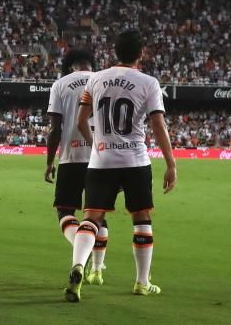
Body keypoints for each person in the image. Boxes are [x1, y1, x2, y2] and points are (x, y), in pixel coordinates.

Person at [65, 30, 177, 302]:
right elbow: (158, 125)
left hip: (101, 161)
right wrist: (171, 163)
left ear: (115, 52)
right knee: (142, 219)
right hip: (135, 160)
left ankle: (78, 265)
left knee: (91, 218)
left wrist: (98, 145)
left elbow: (81, 122)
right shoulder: (149, 82)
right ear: (141, 53)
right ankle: (141, 282)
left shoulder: (96, 79)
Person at [45, 50, 104, 282]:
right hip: (100, 158)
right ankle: (97, 271)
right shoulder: (103, 80)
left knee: (65, 211)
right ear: (92, 63)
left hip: (70, 157)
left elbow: (55, 129)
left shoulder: (60, 84)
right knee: (97, 214)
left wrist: (50, 162)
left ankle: (80, 244)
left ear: (70, 65)